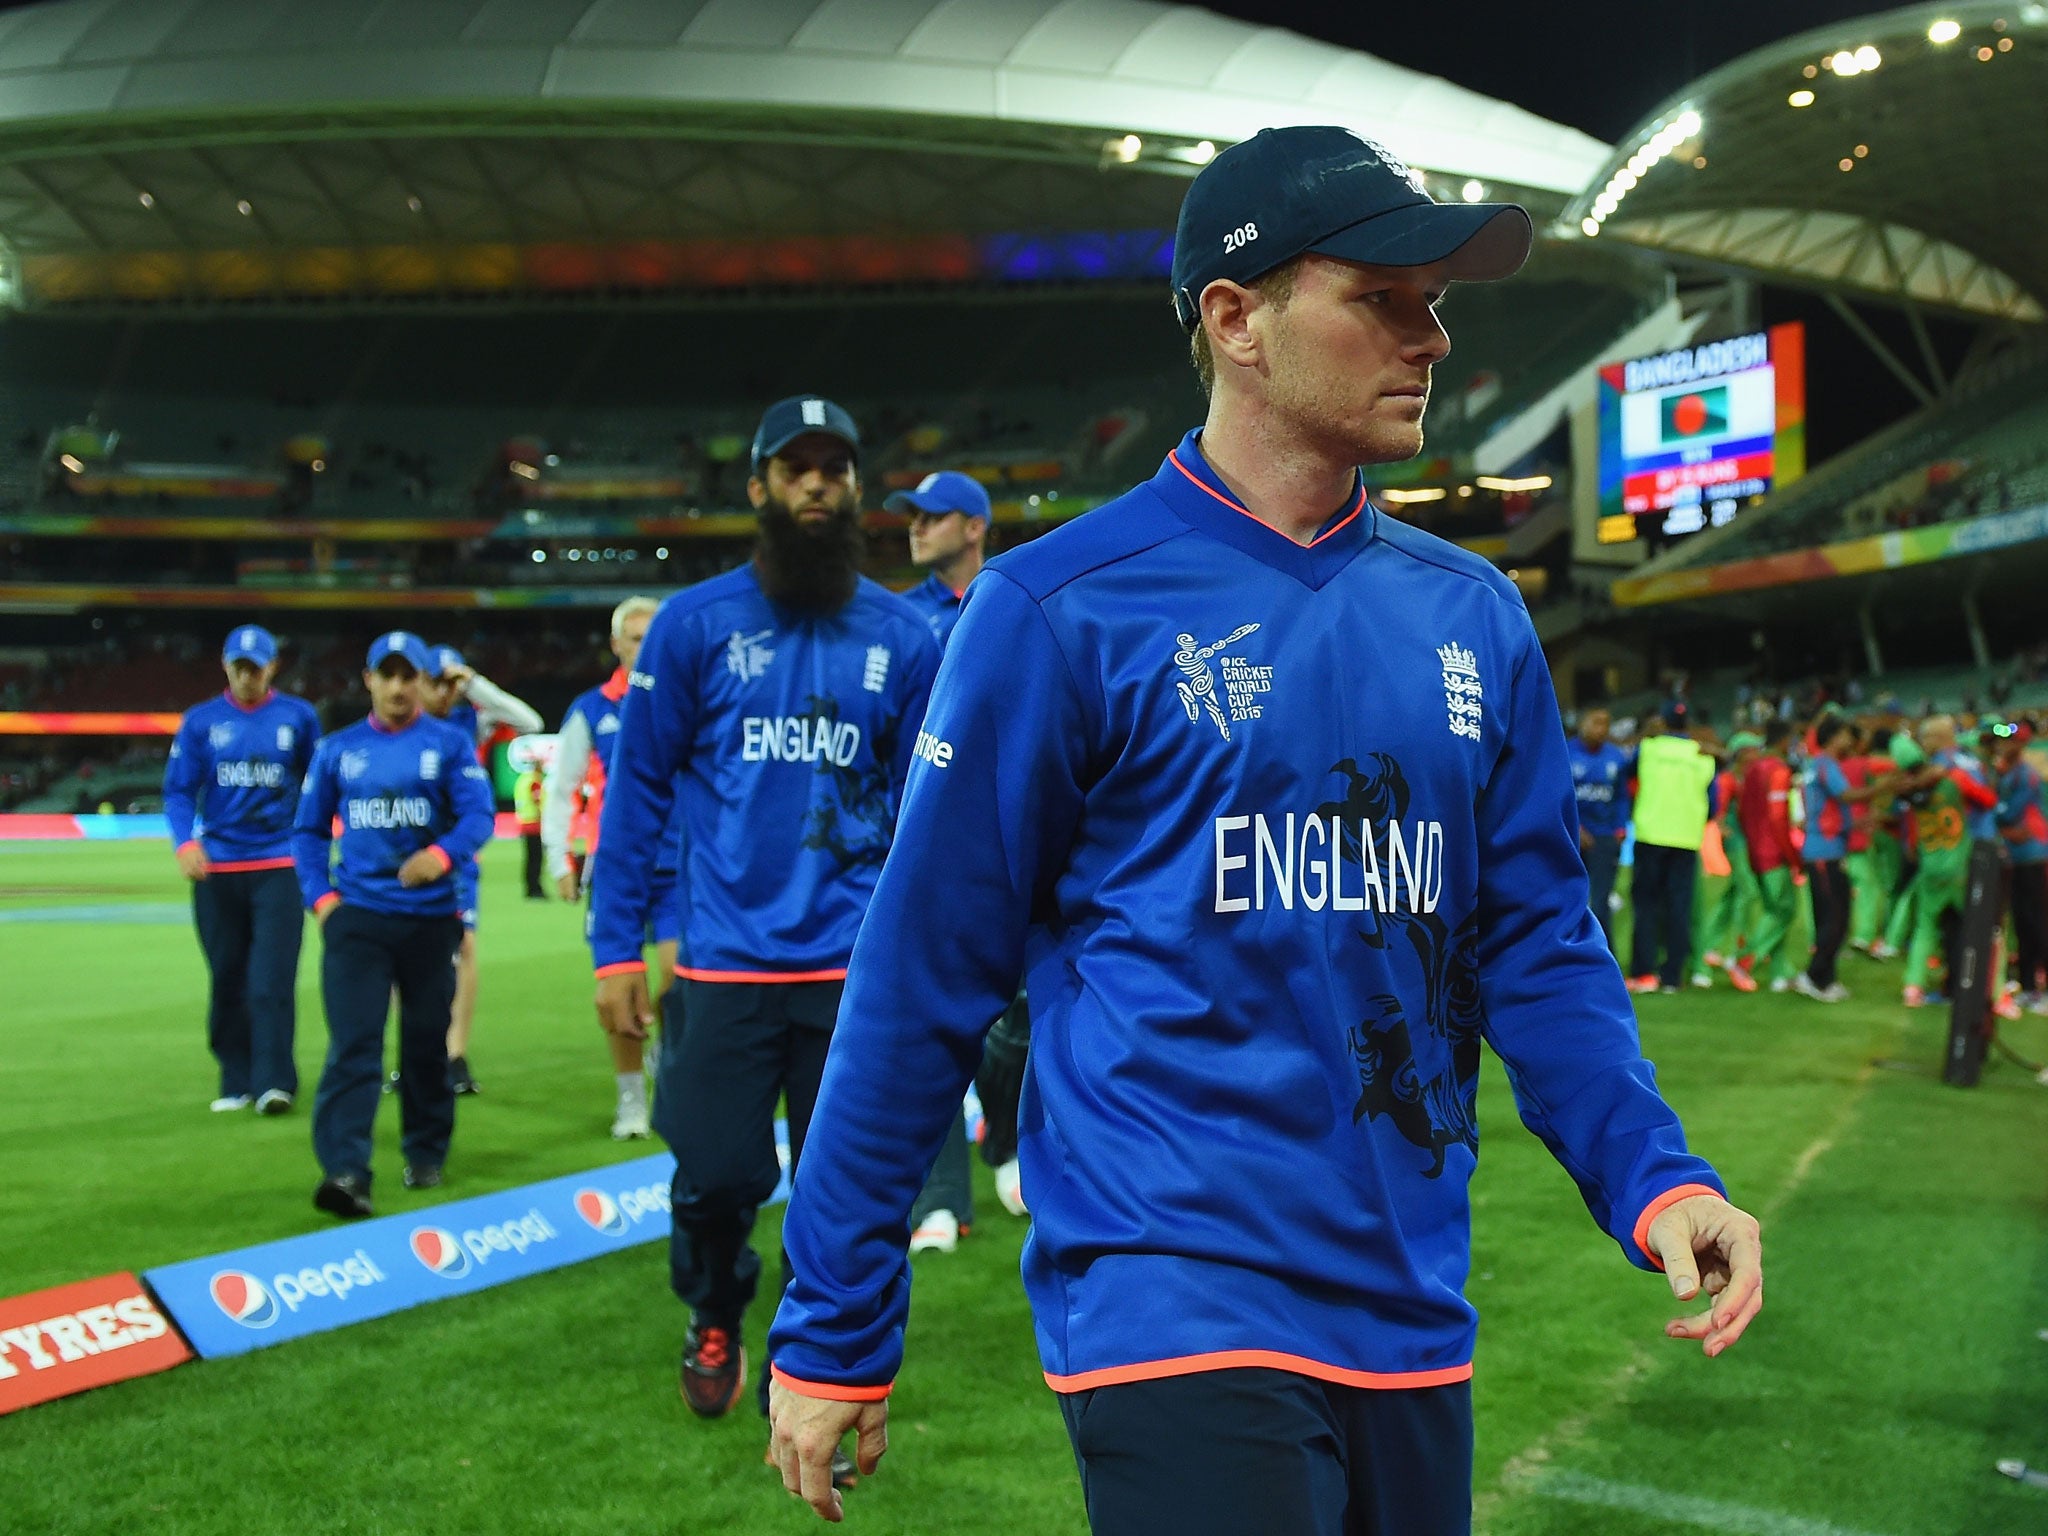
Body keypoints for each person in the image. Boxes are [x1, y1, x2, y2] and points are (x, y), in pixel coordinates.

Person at [764, 126, 1762, 1533]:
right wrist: (834, 1319)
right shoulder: (1061, 610)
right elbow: (923, 971)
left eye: (1437, 301)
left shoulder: (1471, 614)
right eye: (1383, 296)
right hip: (1173, 1292)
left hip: (1412, 1301)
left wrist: (1654, 1175)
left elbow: (1534, 941)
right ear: (1236, 320)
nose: (1432, 336)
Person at [589, 396, 939, 1433]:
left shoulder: (904, 637)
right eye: (797, 469)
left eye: (834, 467)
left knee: (845, 1189)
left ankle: (821, 1362)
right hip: (722, 971)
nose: (817, 484)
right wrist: (615, 949)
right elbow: (637, 796)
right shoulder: (694, 626)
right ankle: (711, 1308)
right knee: (712, 1178)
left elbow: (927, 815)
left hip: (849, 974)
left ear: (856, 488)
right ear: (760, 490)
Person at [292, 631, 494, 1218]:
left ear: (425, 683)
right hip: (358, 918)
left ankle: (426, 1149)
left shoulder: (451, 746)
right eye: (390, 675)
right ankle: (345, 1171)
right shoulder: (337, 749)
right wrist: (322, 901)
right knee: (354, 1043)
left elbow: (480, 814)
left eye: (411, 676)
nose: (400, 687)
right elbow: (307, 832)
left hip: (431, 921)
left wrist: (444, 854)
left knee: (426, 1043)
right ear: (369, 680)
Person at [884, 468, 999, 1250]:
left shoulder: (1016, 601)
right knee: (932, 1023)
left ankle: (1016, 1135)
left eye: (933, 517)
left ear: (974, 526)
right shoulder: (895, 623)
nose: (917, 528)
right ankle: (941, 1200)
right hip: (921, 842)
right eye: (912, 518)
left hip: (1014, 834)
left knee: (1019, 1024)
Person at [162, 624, 321, 1114]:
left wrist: (314, 847)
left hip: (278, 863)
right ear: (225, 666)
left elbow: (318, 785)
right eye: (239, 667)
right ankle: (235, 1079)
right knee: (227, 977)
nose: (247, 675)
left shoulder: (298, 717)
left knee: (270, 978)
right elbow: (179, 789)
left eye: (256, 667)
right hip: (219, 869)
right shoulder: (201, 722)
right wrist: (184, 842)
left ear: (272, 666)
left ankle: (275, 1081)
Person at [543, 596, 675, 1140]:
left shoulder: (682, 701)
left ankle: (666, 1060)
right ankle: (631, 1103)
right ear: (617, 645)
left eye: (654, 637)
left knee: (679, 982)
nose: (645, 648)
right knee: (619, 989)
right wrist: (560, 858)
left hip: (677, 867)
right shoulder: (592, 710)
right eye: (635, 638)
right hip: (616, 870)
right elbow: (560, 789)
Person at [422, 645, 543, 1095]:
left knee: (464, 948)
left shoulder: (471, 719)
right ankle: (415, 1053)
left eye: (451, 683)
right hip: (409, 851)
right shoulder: (407, 720)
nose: (444, 691)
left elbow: (530, 722)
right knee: (406, 954)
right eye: (438, 681)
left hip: (457, 852)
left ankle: (454, 1054)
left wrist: (475, 684)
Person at [1895, 717, 1995, 1006]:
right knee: (1976, 926)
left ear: (1938, 738)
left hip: (1939, 859)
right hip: (1967, 856)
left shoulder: (1920, 780)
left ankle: (1917, 986)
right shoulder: (1964, 766)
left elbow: (1911, 820)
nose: (1923, 743)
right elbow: (1987, 801)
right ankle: (1983, 989)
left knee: (1933, 927)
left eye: (1926, 737)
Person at [1792, 716, 1892, 1002]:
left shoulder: (1818, 766)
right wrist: (1884, 788)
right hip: (1825, 852)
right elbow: (1846, 796)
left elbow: (1831, 811)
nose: (1853, 742)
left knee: (1834, 916)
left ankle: (1826, 978)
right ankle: (1813, 976)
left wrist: (1861, 823)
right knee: (1835, 917)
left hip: (1827, 847)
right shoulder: (1825, 765)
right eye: (1848, 735)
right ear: (1834, 737)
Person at [1626, 707, 1719, 994]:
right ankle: (1672, 976)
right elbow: (1713, 802)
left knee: (1646, 906)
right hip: (1686, 838)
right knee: (1679, 907)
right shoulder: (1702, 756)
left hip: (1651, 834)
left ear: (1663, 722)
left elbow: (1627, 773)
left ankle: (1644, 972)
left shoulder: (1649, 749)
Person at [1726, 719, 1799, 993]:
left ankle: (1781, 973)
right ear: (1784, 741)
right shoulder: (1779, 771)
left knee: (1773, 910)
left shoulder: (1753, 770)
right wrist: (1791, 854)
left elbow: (1744, 811)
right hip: (1774, 851)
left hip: (1754, 848)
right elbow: (1778, 817)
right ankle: (1744, 961)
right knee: (1783, 910)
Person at [1691, 730, 1762, 983]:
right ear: (1743, 753)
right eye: (1754, 749)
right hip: (1736, 841)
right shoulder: (1729, 779)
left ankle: (1709, 945)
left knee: (1731, 895)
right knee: (1749, 892)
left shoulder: (1746, 777)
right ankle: (1739, 947)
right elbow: (1718, 810)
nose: (1758, 754)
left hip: (1746, 838)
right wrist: (1723, 828)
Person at [1990, 724, 2048, 1010]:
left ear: (2020, 744)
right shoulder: (2009, 774)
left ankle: (2040, 987)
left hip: (2032, 853)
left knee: (2036, 920)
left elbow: (2008, 813)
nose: (2003, 745)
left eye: (2009, 740)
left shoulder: (2025, 775)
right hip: (2017, 854)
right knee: (2023, 922)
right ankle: (2027, 984)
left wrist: (1997, 813)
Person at [1566, 705, 1630, 954]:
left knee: (1601, 903)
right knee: (1569, 899)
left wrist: (1620, 828)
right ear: (1582, 724)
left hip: (1604, 837)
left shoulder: (1615, 757)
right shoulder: (1566, 752)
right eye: (1596, 722)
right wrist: (1575, 828)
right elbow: (1557, 797)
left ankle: (1604, 959)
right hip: (1571, 837)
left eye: (1605, 723)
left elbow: (1622, 796)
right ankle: (1567, 958)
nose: (1601, 729)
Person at [513, 753, 545, 899]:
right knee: (536, 859)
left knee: (529, 858)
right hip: (534, 825)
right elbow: (537, 800)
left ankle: (529, 888)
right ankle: (535, 889)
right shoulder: (535, 781)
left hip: (524, 823)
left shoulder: (522, 780)